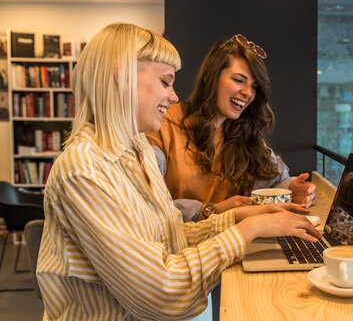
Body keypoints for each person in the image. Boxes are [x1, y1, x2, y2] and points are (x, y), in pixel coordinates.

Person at [36, 23, 320, 320]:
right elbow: (160, 293)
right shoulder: (85, 169)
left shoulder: (137, 151)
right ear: (123, 77)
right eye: (165, 82)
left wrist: (238, 217)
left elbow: (169, 236)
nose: (173, 96)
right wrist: (249, 229)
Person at [146, 34, 315, 221]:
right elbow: (148, 205)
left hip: (237, 244)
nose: (247, 93)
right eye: (239, 80)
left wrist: (292, 189)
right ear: (210, 78)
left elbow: (277, 179)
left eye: (254, 86)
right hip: (181, 246)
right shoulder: (162, 124)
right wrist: (211, 210)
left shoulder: (244, 133)